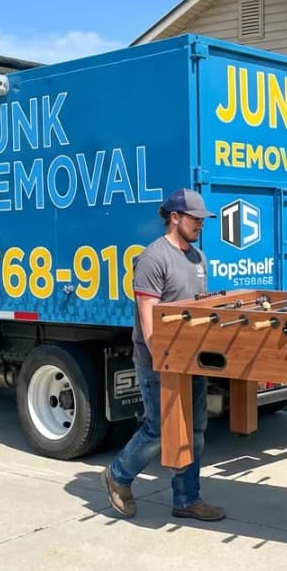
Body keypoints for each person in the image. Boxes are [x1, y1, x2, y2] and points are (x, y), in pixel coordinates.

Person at [102, 188, 226, 522]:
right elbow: (149, 321)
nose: (201, 225)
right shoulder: (153, 258)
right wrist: (163, 361)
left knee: (194, 429)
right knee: (159, 430)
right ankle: (118, 475)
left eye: (203, 220)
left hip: (191, 359)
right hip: (158, 362)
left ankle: (187, 499)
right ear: (174, 217)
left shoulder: (198, 258)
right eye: (195, 219)